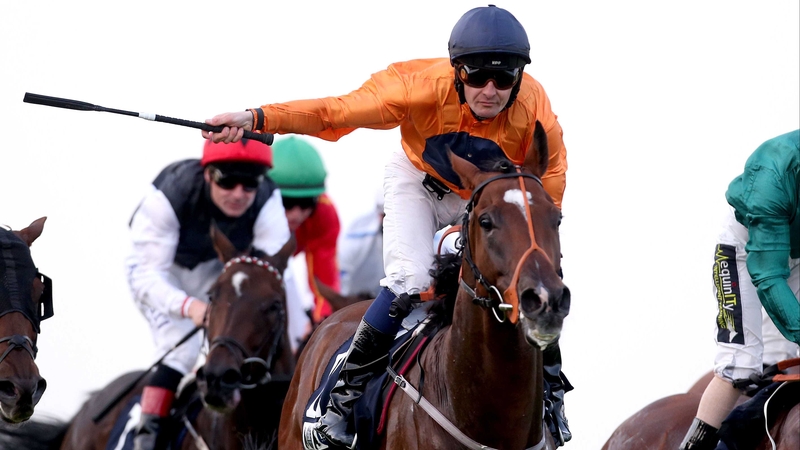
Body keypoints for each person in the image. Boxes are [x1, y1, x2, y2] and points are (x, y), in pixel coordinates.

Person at [203, 5, 570, 448]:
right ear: (457, 72)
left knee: (533, 277)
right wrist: (256, 119)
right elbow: (333, 114)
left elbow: (548, 189)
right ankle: (336, 398)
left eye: (504, 78)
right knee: (411, 280)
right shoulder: (415, 87)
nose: (490, 91)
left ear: (520, 78)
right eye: (476, 76)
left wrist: (537, 248)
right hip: (417, 180)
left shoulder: (534, 105)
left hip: (484, 195)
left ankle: (550, 396)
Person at [125, 138, 290, 450]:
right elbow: (149, 276)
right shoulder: (170, 194)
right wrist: (190, 307)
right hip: (161, 274)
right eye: (227, 181)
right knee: (182, 351)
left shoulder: (268, 199)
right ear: (207, 175)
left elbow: (273, 275)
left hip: (217, 272)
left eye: (250, 184)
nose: (239, 194)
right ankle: (146, 435)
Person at [679, 129, 800, 450]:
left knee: (786, 357)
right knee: (741, 364)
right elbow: (770, 275)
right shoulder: (775, 168)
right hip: (751, 249)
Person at [268, 136, 342, 346]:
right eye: (287, 202)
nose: (296, 214)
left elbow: (324, 277)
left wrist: (324, 320)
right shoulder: (252, 207)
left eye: (306, 203)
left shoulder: (325, 213)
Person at [338, 188, 385, 300]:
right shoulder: (357, 232)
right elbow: (341, 271)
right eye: (385, 215)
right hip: (357, 300)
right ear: (379, 214)